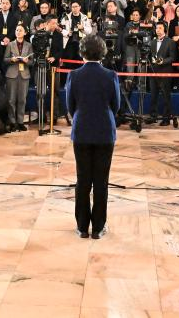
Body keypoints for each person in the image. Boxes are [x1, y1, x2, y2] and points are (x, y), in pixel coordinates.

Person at [66, 33, 121, 239]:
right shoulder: (110, 75)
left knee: (83, 179)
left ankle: (82, 227)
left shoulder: (74, 75)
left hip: (81, 131)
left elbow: (70, 105)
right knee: (101, 180)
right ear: (102, 53)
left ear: (82, 52)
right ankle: (98, 227)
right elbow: (116, 105)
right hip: (105, 132)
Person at [148, 21, 178, 127]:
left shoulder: (170, 42)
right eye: (156, 28)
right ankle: (153, 116)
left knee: (166, 96)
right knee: (153, 95)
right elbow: (151, 55)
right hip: (153, 72)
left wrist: (163, 61)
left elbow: (172, 57)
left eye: (160, 28)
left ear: (165, 29)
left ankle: (166, 118)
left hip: (165, 72)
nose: (158, 30)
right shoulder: (152, 42)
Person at [4, 24, 33, 132]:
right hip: (12, 74)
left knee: (22, 99)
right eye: (16, 30)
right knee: (11, 99)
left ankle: (20, 122)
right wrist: (12, 59)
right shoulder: (10, 44)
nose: (18, 32)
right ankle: (12, 122)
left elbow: (32, 61)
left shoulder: (29, 45)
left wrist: (27, 61)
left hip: (24, 74)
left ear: (25, 32)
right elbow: (5, 59)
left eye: (20, 30)